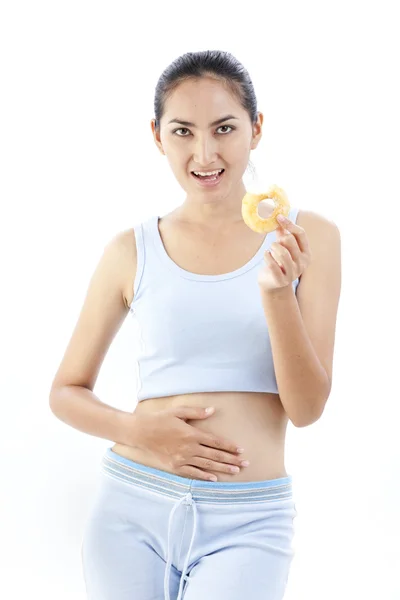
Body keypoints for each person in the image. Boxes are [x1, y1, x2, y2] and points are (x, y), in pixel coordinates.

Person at [49, 49, 341, 600]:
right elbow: (65, 392)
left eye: (224, 128)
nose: (204, 153)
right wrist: (138, 431)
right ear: (158, 136)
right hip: (132, 508)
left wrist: (277, 293)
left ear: (256, 129)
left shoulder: (309, 239)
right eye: (183, 131)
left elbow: (306, 409)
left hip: (250, 523)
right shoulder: (129, 250)